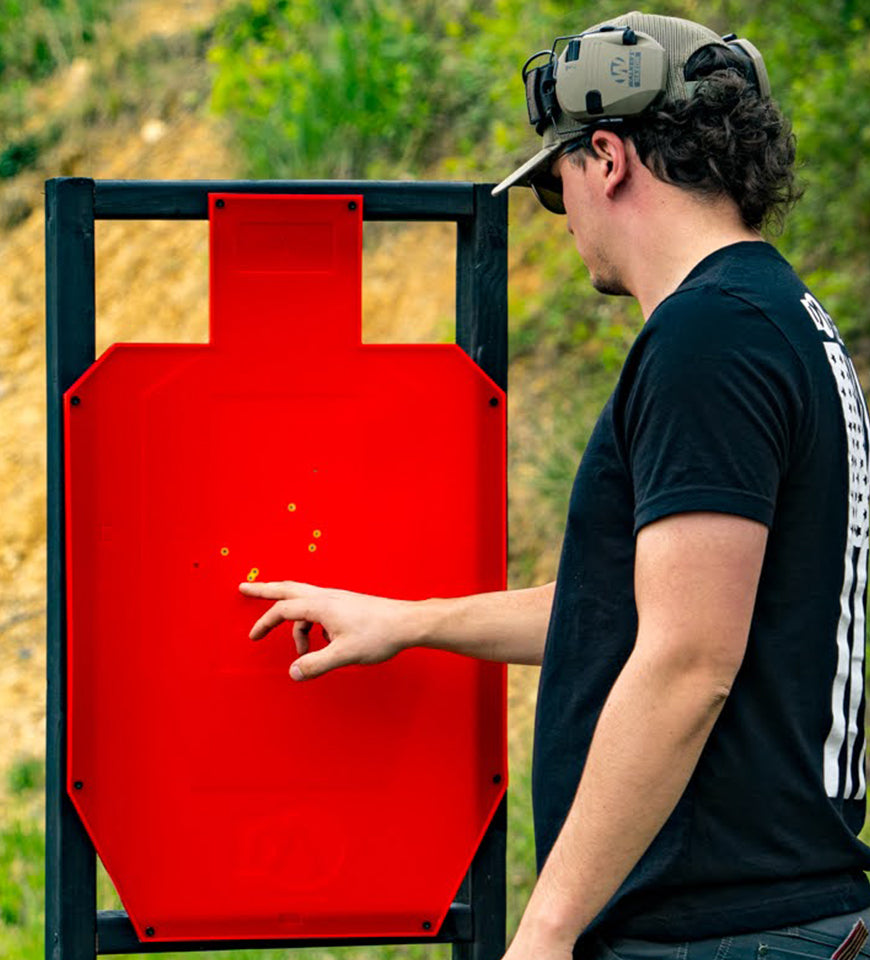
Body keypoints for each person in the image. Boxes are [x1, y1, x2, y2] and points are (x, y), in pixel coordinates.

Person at [240, 11, 870, 960]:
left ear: (606, 158)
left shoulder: (711, 340)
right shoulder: (779, 321)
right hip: (761, 918)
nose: (564, 214)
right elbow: (635, 610)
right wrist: (410, 620)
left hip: (723, 928)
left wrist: (546, 929)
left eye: (555, 185)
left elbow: (687, 663)